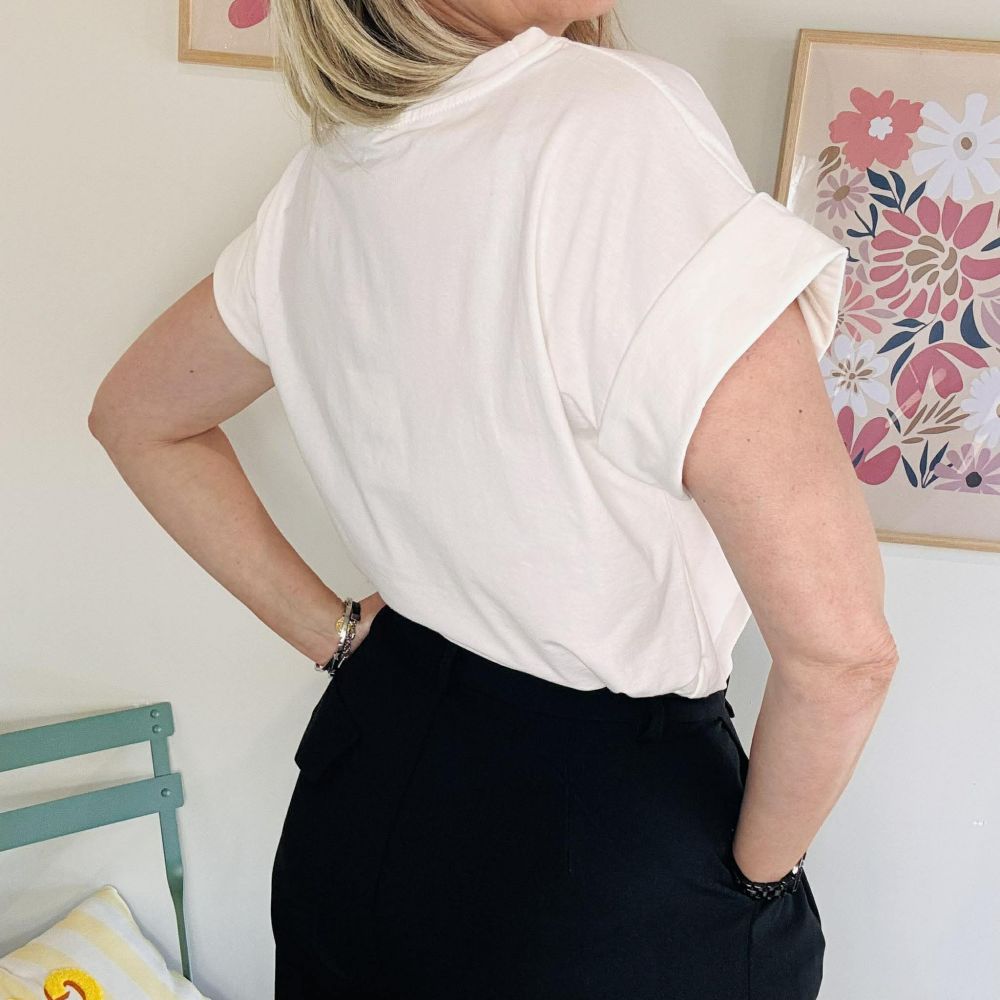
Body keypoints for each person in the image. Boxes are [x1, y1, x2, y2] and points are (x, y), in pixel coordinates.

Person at [88, 1, 899, 997]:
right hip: (593, 850)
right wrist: (757, 886)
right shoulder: (611, 126)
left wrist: (336, 636)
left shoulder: (333, 171)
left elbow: (137, 417)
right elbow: (843, 654)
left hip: (369, 788)